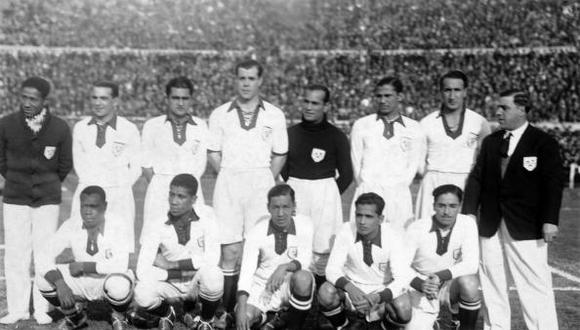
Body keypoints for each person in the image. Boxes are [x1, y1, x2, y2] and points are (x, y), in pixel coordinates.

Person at [463, 90, 563, 330]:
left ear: (522, 109)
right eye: (498, 107)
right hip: (490, 222)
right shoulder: (491, 142)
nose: (498, 112)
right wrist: (468, 214)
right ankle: (495, 327)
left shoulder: (543, 142)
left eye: (504, 107)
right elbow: (477, 178)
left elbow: (553, 184)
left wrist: (550, 220)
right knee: (491, 281)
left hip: (527, 224)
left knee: (533, 283)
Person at [207, 59, 288, 314]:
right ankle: (226, 309)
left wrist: (264, 178)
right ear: (235, 79)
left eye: (251, 78)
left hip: (261, 182)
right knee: (230, 248)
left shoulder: (274, 114)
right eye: (241, 78)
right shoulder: (220, 114)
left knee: (259, 245)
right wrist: (230, 175)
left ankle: (257, 304)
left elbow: (280, 154)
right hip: (229, 182)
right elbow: (213, 152)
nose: (246, 83)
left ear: (260, 81)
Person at [0, 76, 73, 325]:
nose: (27, 103)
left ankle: (43, 307)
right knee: (16, 253)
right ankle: (18, 308)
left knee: (44, 253)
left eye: (33, 99)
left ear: (45, 100)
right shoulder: (6, 124)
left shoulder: (60, 128)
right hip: (15, 198)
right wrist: (18, 181)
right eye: (24, 97)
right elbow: (1, 161)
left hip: (47, 200)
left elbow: (64, 165)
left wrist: (45, 185)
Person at [281, 84, 352, 286]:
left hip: (325, 194)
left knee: (322, 250)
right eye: (306, 101)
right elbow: (284, 170)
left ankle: (321, 302)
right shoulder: (290, 134)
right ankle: (292, 298)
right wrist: (295, 192)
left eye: (315, 103)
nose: (309, 107)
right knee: (295, 245)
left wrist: (328, 195)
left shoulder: (336, 136)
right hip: (296, 192)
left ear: (326, 106)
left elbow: (347, 174)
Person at [36, 186, 134, 330]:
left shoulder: (118, 224)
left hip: (107, 278)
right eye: (84, 206)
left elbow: (121, 264)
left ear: (105, 206)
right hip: (82, 279)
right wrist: (60, 283)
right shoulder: (72, 224)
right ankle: (75, 317)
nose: (88, 211)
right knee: (43, 279)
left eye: (93, 206)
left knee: (119, 286)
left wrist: (84, 266)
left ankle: (119, 315)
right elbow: (43, 255)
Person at [134, 174, 223, 330]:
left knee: (214, 274)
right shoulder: (156, 221)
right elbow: (142, 269)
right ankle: (167, 313)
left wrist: (171, 264)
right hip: (170, 282)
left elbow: (213, 258)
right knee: (141, 293)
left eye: (181, 196)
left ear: (194, 199)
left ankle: (206, 320)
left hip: (196, 280)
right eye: (172, 194)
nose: (174, 201)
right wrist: (173, 273)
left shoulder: (207, 215)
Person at [318, 193, 412, 330]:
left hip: (381, 289)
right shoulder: (346, 230)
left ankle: (380, 326)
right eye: (359, 215)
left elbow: (402, 279)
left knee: (404, 309)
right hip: (353, 286)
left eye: (369, 217)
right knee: (325, 291)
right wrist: (350, 287)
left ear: (380, 219)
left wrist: (378, 297)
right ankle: (342, 326)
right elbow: (331, 269)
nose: (362, 221)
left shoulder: (394, 236)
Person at [71, 81, 141, 252]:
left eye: (103, 98)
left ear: (115, 101)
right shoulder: (80, 128)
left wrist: (120, 185)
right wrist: (92, 186)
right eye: (94, 97)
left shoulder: (128, 129)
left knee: (118, 248)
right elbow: (79, 163)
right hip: (88, 191)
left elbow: (137, 166)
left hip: (119, 194)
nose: (98, 102)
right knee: (84, 246)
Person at [235, 184, 314, 330]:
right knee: (245, 316)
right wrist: (240, 308)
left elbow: (305, 260)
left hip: (290, 283)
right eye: (275, 207)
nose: (281, 213)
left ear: (294, 206)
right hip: (263, 284)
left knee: (304, 278)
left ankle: (292, 326)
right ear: (268, 208)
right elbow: (247, 271)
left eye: (285, 206)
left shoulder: (305, 224)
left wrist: (284, 267)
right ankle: (271, 318)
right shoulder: (256, 231)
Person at [350, 77, 424, 229]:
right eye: (379, 96)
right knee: (363, 242)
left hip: (399, 194)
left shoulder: (414, 128)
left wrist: (399, 186)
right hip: (368, 191)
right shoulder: (362, 125)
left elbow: (413, 164)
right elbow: (356, 162)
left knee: (399, 243)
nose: (382, 100)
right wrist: (367, 186)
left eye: (388, 96)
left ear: (400, 97)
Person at [140, 76, 208, 243]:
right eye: (175, 98)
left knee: (194, 238)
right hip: (160, 189)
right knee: (154, 239)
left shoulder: (201, 126)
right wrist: (160, 186)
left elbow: (201, 162)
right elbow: (146, 165)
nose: (180, 103)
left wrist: (188, 188)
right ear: (167, 99)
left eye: (185, 98)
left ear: (191, 100)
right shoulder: (152, 125)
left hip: (191, 188)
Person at [415, 70, 490, 220]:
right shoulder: (426, 123)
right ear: (440, 93)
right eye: (447, 90)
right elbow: (418, 161)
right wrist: (434, 173)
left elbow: (485, 160)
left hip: (466, 182)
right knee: (429, 233)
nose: (452, 96)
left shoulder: (479, 122)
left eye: (457, 90)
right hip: (433, 182)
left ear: (465, 92)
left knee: (463, 234)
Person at [405, 184, 480, 330]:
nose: (447, 212)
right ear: (434, 206)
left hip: (447, 284)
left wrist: (439, 276)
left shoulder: (467, 223)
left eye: (452, 206)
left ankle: (460, 323)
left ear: (460, 206)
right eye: (441, 206)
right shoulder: (417, 228)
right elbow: (400, 266)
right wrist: (421, 284)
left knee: (469, 282)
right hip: (421, 284)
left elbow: (472, 264)